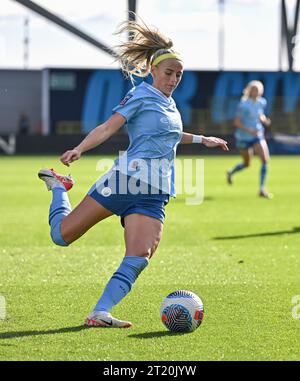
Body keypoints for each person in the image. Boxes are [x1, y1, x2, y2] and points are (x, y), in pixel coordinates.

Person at [38, 17, 229, 328]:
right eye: (169, 73)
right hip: (126, 181)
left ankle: (99, 312)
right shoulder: (140, 95)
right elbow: (109, 126)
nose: (173, 79)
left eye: (178, 75)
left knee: (141, 256)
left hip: (155, 192)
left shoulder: (170, 104)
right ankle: (59, 188)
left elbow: (166, 134)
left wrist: (201, 139)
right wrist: (80, 149)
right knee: (62, 236)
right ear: (153, 70)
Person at [226, 80, 272, 198]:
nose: (256, 92)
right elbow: (236, 122)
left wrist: (264, 120)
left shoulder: (262, 102)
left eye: (258, 89)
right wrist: (249, 130)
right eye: (254, 89)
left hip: (257, 135)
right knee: (247, 164)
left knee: (265, 159)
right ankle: (231, 172)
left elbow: (260, 114)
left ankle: (262, 189)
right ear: (249, 91)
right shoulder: (243, 104)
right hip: (244, 137)